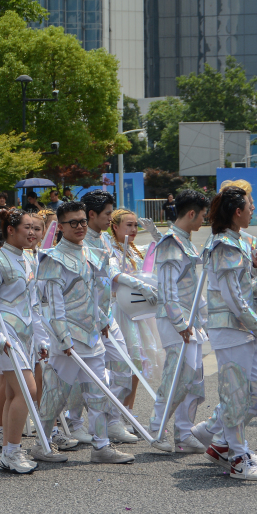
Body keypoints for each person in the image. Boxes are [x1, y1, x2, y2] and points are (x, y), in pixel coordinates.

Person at [35, 201, 134, 464]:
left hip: (93, 336)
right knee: (56, 394)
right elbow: (52, 305)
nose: (80, 227)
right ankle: (42, 444)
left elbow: (97, 295)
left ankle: (101, 446)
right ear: (61, 227)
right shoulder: (52, 258)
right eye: (73, 223)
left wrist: (103, 320)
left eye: (82, 221)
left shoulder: (92, 253)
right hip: (67, 340)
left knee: (98, 392)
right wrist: (62, 338)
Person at [189, 187, 257, 480]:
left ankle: (216, 437)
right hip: (229, 329)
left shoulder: (237, 242)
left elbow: (240, 292)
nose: (253, 210)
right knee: (236, 395)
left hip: (244, 327)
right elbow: (231, 299)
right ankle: (237, 458)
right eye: (250, 206)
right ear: (237, 212)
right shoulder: (223, 245)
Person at [0, 210, 62, 471]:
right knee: (28, 390)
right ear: (10, 229)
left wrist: (41, 339)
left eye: (37, 229)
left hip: (25, 335)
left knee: (17, 391)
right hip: (6, 334)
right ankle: (11, 452)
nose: (33, 233)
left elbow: (33, 305)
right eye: (27, 227)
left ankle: (8, 450)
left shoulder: (27, 260)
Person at [79, 190, 155, 445]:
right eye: (108, 214)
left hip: (108, 314)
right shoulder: (84, 240)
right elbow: (110, 271)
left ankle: (113, 420)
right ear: (92, 215)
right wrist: (139, 285)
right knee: (77, 378)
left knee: (126, 368)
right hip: (85, 317)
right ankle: (71, 424)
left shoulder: (103, 239)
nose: (110, 219)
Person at [149, 189, 210, 453]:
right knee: (176, 376)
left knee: (194, 378)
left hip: (190, 320)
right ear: (192, 213)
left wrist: (197, 319)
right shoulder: (170, 242)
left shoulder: (184, 240)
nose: (204, 222)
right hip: (177, 321)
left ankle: (184, 433)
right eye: (203, 216)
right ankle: (157, 428)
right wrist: (181, 323)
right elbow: (167, 290)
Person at [107, 208, 166, 411]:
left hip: (140, 312)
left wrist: (155, 233)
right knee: (124, 364)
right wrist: (141, 286)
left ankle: (128, 411)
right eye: (128, 225)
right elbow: (114, 273)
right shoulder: (110, 250)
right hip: (121, 312)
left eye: (135, 225)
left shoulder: (136, 249)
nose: (133, 229)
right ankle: (115, 412)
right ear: (115, 227)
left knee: (138, 365)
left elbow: (164, 251)